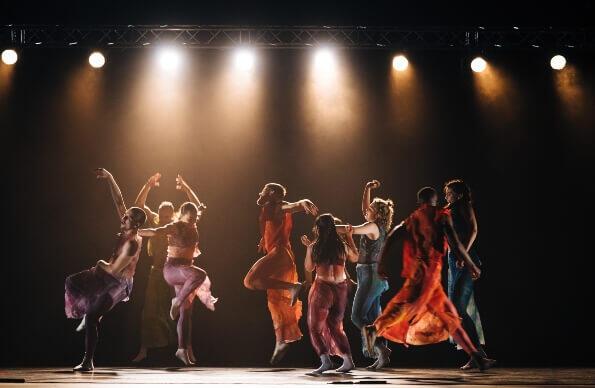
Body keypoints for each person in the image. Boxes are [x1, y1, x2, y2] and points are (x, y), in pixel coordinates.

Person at [363, 187, 496, 371]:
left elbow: (394, 233)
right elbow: (455, 243)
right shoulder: (441, 216)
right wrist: (471, 263)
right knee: (406, 306)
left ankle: (477, 357)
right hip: (428, 274)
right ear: (435, 199)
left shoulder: (414, 217)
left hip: (422, 274)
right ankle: (374, 328)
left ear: (420, 202)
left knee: (447, 317)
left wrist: (381, 262)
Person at [65, 168, 146, 371]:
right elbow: (119, 201)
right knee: (72, 281)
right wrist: (110, 177)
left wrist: (100, 263)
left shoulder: (133, 243)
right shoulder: (128, 225)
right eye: (124, 215)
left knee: (92, 317)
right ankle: (88, 310)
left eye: (126, 217)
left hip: (119, 283)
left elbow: (112, 270)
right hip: (109, 276)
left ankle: (88, 360)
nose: (122, 217)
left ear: (134, 223)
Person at [139, 175, 216, 366]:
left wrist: (186, 187)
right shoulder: (175, 226)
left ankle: (182, 350)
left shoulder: (193, 223)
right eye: (189, 218)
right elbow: (155, 231)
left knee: (186, 314)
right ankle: (176, 302)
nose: (192, 220)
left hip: (185, 273)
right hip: (172, 270)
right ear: (181, 215)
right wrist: (137, 232)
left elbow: (197, 204)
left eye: (194, 218)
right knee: (201, 274)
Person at [243, 183, 318, 364]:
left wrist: (302, 202)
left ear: (271, 193)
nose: (260, 193)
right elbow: (276, 221)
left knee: (250, 281)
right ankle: (281, 342)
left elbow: (289, 207)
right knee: (275, 300)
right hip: (280, 255)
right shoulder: (271, 208)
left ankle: (293, 287)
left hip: (280, 254)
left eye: (263, 190)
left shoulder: (275, 206)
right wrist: (264, 238)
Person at [336, 180, 394, 369]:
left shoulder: (373, 227)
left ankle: (381, 349)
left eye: (370, 209)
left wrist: (329, 228)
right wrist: (367, 189)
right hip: (370, 275)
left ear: (376, 213)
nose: (365, 210)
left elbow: (349, 229)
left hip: (371, 276)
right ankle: (381, 356)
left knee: (356, 317)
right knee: (372, 319)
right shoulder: (377, 225)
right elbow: (364, 209)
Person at [301, 214, 359, 375]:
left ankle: (325, 361)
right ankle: (348, 361)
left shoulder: (315, 246)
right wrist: (349, 237)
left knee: (315, 327)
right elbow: (355, 257)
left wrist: (308, 248)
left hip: (322, 289)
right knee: (336, 327)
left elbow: (309, 267)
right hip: (340, 289)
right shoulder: (342, 245)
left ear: (318, 228)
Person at [444, 179, 489, 369]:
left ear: (459, 194)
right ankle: (478, 356)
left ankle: (477, 354)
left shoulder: (463, 205)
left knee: (457, 308)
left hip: (465, 260)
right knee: (459, 309)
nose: (446, 195)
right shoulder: (448, 208)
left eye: (449, 192)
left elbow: (474, 229)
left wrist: (465, 254)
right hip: (455, 262)